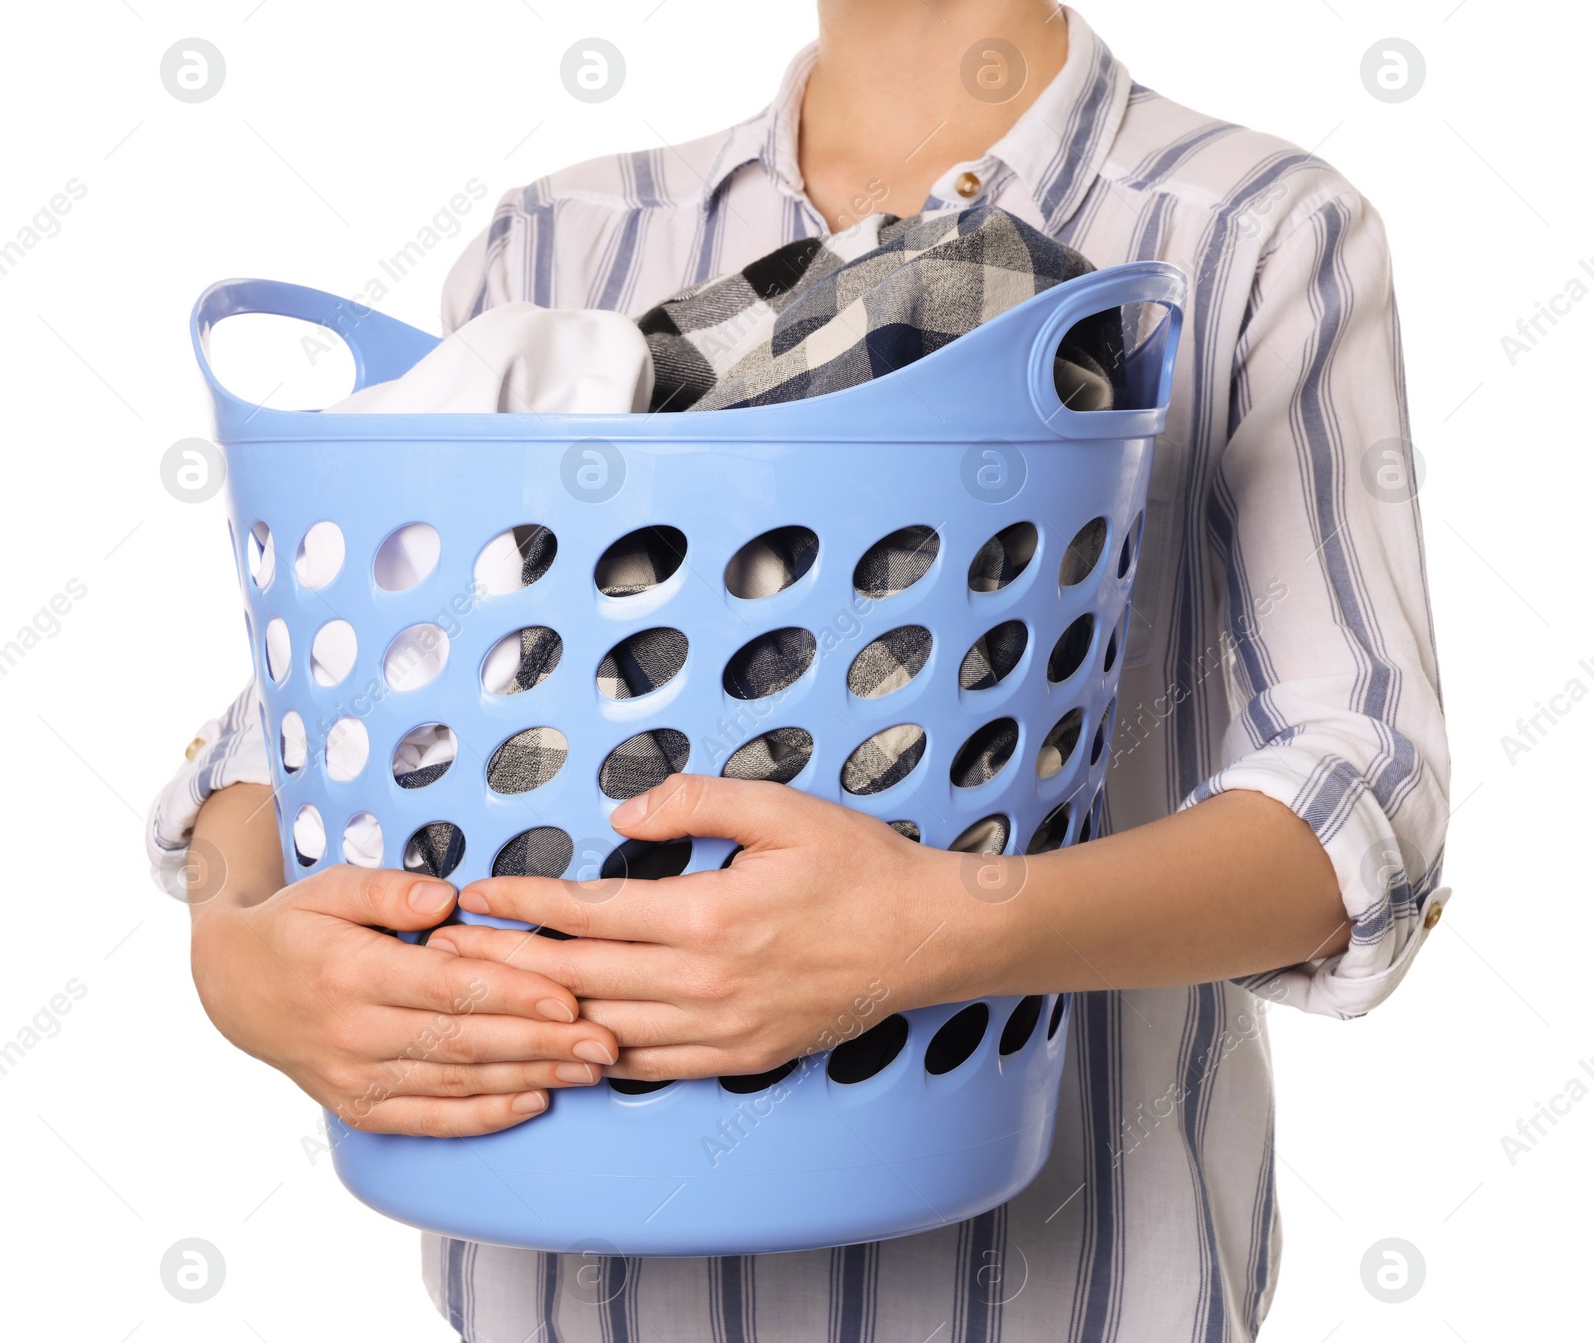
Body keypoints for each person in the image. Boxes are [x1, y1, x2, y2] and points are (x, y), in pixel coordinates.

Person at [150, 3, 1449, 1339]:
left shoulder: (1252, 230)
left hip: (1047, 1297)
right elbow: (325, 713)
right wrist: (234, 952)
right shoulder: (561, 239)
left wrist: (954, 928)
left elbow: (1363, 807)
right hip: (567, 1287)